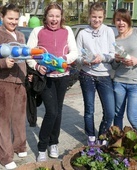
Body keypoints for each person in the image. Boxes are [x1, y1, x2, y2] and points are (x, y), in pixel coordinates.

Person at [26, 2, 78, 162]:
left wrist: (63, 60)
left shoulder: (67, 30)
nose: (54, 19)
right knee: (52, 112)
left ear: (61, 17)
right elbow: (29, 54)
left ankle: (53, 143)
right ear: (46, 17)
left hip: (62, 77)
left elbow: (74, 52)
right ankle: (42, 147)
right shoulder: (37, 31)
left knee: (59, 111)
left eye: (57, 16)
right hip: (45, 78)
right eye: (51, 16)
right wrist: (37, 66)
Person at [76, 2, 115, 145]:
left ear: (104, 16)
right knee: (89, 109)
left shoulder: (108, 31)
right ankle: (91, 136)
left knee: (110, 111)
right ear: (89, 16)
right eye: (94, 17)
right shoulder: (82, 33)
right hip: (87, 74)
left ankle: (102, 135)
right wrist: (84, 61)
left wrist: (103, 57)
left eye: (99, 17)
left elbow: (113, 54)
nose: (96, 20)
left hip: (104, 74)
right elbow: (77, 56)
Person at [112, 9, 137, 133]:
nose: (121, 23)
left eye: (124, 20)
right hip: (119, 82)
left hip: (136, 83)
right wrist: (117, 60)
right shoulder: (114, 40)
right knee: (117, 114)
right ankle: (118, 142)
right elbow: (113, 66)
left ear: (129, 21)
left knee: (132, 116)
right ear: (114, 21)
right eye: (118, 20)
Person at [0, 4, 27, 170]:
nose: (14, 21)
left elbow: (26, 56)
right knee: (3, 120)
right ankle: (5, 156)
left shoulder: (20, 35)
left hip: (20, 81)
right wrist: (3, 62)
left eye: (16, 19)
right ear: (2, 17)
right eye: (10, 18)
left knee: (19, 117)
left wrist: (29, 72)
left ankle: (19, 146)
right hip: (4, 82)